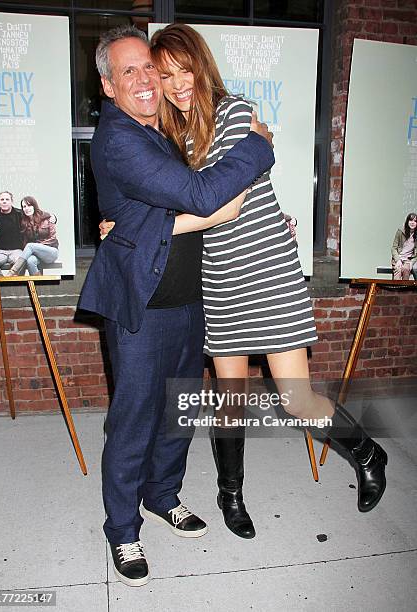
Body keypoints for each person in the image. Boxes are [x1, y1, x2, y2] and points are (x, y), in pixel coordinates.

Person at [146, 24, 388, 538]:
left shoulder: (236, 113)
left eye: (184, 69)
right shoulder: (173, 137)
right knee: (230, 399)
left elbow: (215, 198)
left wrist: (178, 205)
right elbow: (181, 196)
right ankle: (230, 493)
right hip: (220, 278)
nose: (177, 83)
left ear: (201, 65)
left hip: (267, 271)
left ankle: (368, 454)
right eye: (166, 75)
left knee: (295, 398)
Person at [78, 24, 275, 587]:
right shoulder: (118, 137)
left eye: (150, 69)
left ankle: (163, 496)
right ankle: (122, 529)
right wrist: (257, 145)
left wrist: (150, 221)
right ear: (108, 85)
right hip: (144, 306)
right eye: (130, 71)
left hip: (189, 299)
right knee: (135, 419)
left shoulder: (158, 132)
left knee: (177, 414)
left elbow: (169, 208)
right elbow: (197, 194)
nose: (145, 79)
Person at [5, 196, 59, 276]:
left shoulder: (47, 218)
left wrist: (37, 246)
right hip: (36, 253)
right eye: (24, 206)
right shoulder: (24, 222)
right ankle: (37, 286)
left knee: (30, 246)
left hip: (51, 251)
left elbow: (53, 238)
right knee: (30, 261)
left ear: (34, 206)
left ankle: (13, 271)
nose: (27, 208)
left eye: (29, 205)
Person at [0, 191, 23, 277]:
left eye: (7, 199)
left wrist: (52, 217)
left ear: (11, 201)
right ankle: (2, 284)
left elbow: (36, 215)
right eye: (2, 199)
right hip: (0, 251)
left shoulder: (19, 214)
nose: (4, 201)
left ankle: (16, 286)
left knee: (22, 262)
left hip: (16, 250)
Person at [391, 212, 417, 280]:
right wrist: (398, 260)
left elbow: (416, 254)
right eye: (411, 220)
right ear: (407, 222)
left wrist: (412, 262)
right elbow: (394, 248)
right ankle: (395, 290)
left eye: (415, 221)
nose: (412, 222)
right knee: (398, 268)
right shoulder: (400, 231)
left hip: (408, 259)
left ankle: (404, 290)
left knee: (406, 269)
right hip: (398, 258)